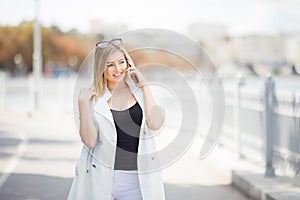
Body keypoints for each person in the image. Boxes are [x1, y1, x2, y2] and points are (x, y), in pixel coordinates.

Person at [67, 38, 166, 200]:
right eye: (110, 64)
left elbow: (155, 124)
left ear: (129, 63)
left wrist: (145, 86)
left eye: (121, 62)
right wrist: (82, 103)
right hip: (101, 178)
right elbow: (90, 141)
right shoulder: (93, 99)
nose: (118, 69)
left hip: (136, 181)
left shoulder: (141, 93)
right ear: (101, 68)